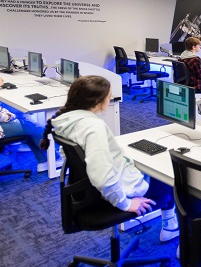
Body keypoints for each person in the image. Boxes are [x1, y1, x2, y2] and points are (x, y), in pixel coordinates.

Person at [41, 75, 179, 242]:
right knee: (170, 176)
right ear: (98, 102)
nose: (111, 98)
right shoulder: (94, 127)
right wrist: (125, 203)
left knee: (145, 165)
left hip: (88, 193)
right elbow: (102, 175)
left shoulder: (66, 120)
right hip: (114, 195)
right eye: (109, 95)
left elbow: (74, 157)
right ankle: (171, 226)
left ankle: (171, 224)